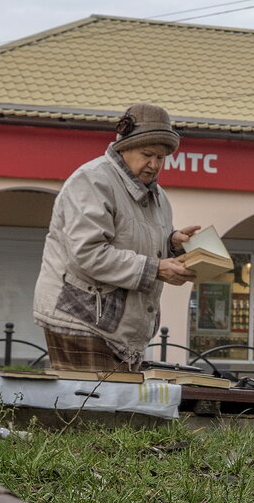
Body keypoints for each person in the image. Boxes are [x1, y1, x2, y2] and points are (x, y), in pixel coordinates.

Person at [34, 103, 199, 371]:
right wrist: (156, 268)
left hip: (116, 324)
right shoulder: (92, 181)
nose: (154, 164)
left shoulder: (160, 198)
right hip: (82, 319)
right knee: (89, 410)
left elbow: (133, 243)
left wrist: (172, 244)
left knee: (109, 409)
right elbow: (87, 254)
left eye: (161, 157)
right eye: (147, 154)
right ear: (124, 147)